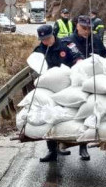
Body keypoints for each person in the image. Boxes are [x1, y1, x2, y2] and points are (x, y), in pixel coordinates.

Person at [33, 23, 84, 162]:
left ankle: (82, 146)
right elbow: (34, 66)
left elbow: (78, 57)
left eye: (48, 38)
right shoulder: (39, 50)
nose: (46, 42)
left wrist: (78, 65)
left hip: (68, 86)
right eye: (43, 40)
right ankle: (52, 150)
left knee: (77, 113)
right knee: (49, 115)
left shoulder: (66, 45)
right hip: (50, 89)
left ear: (53, 35)